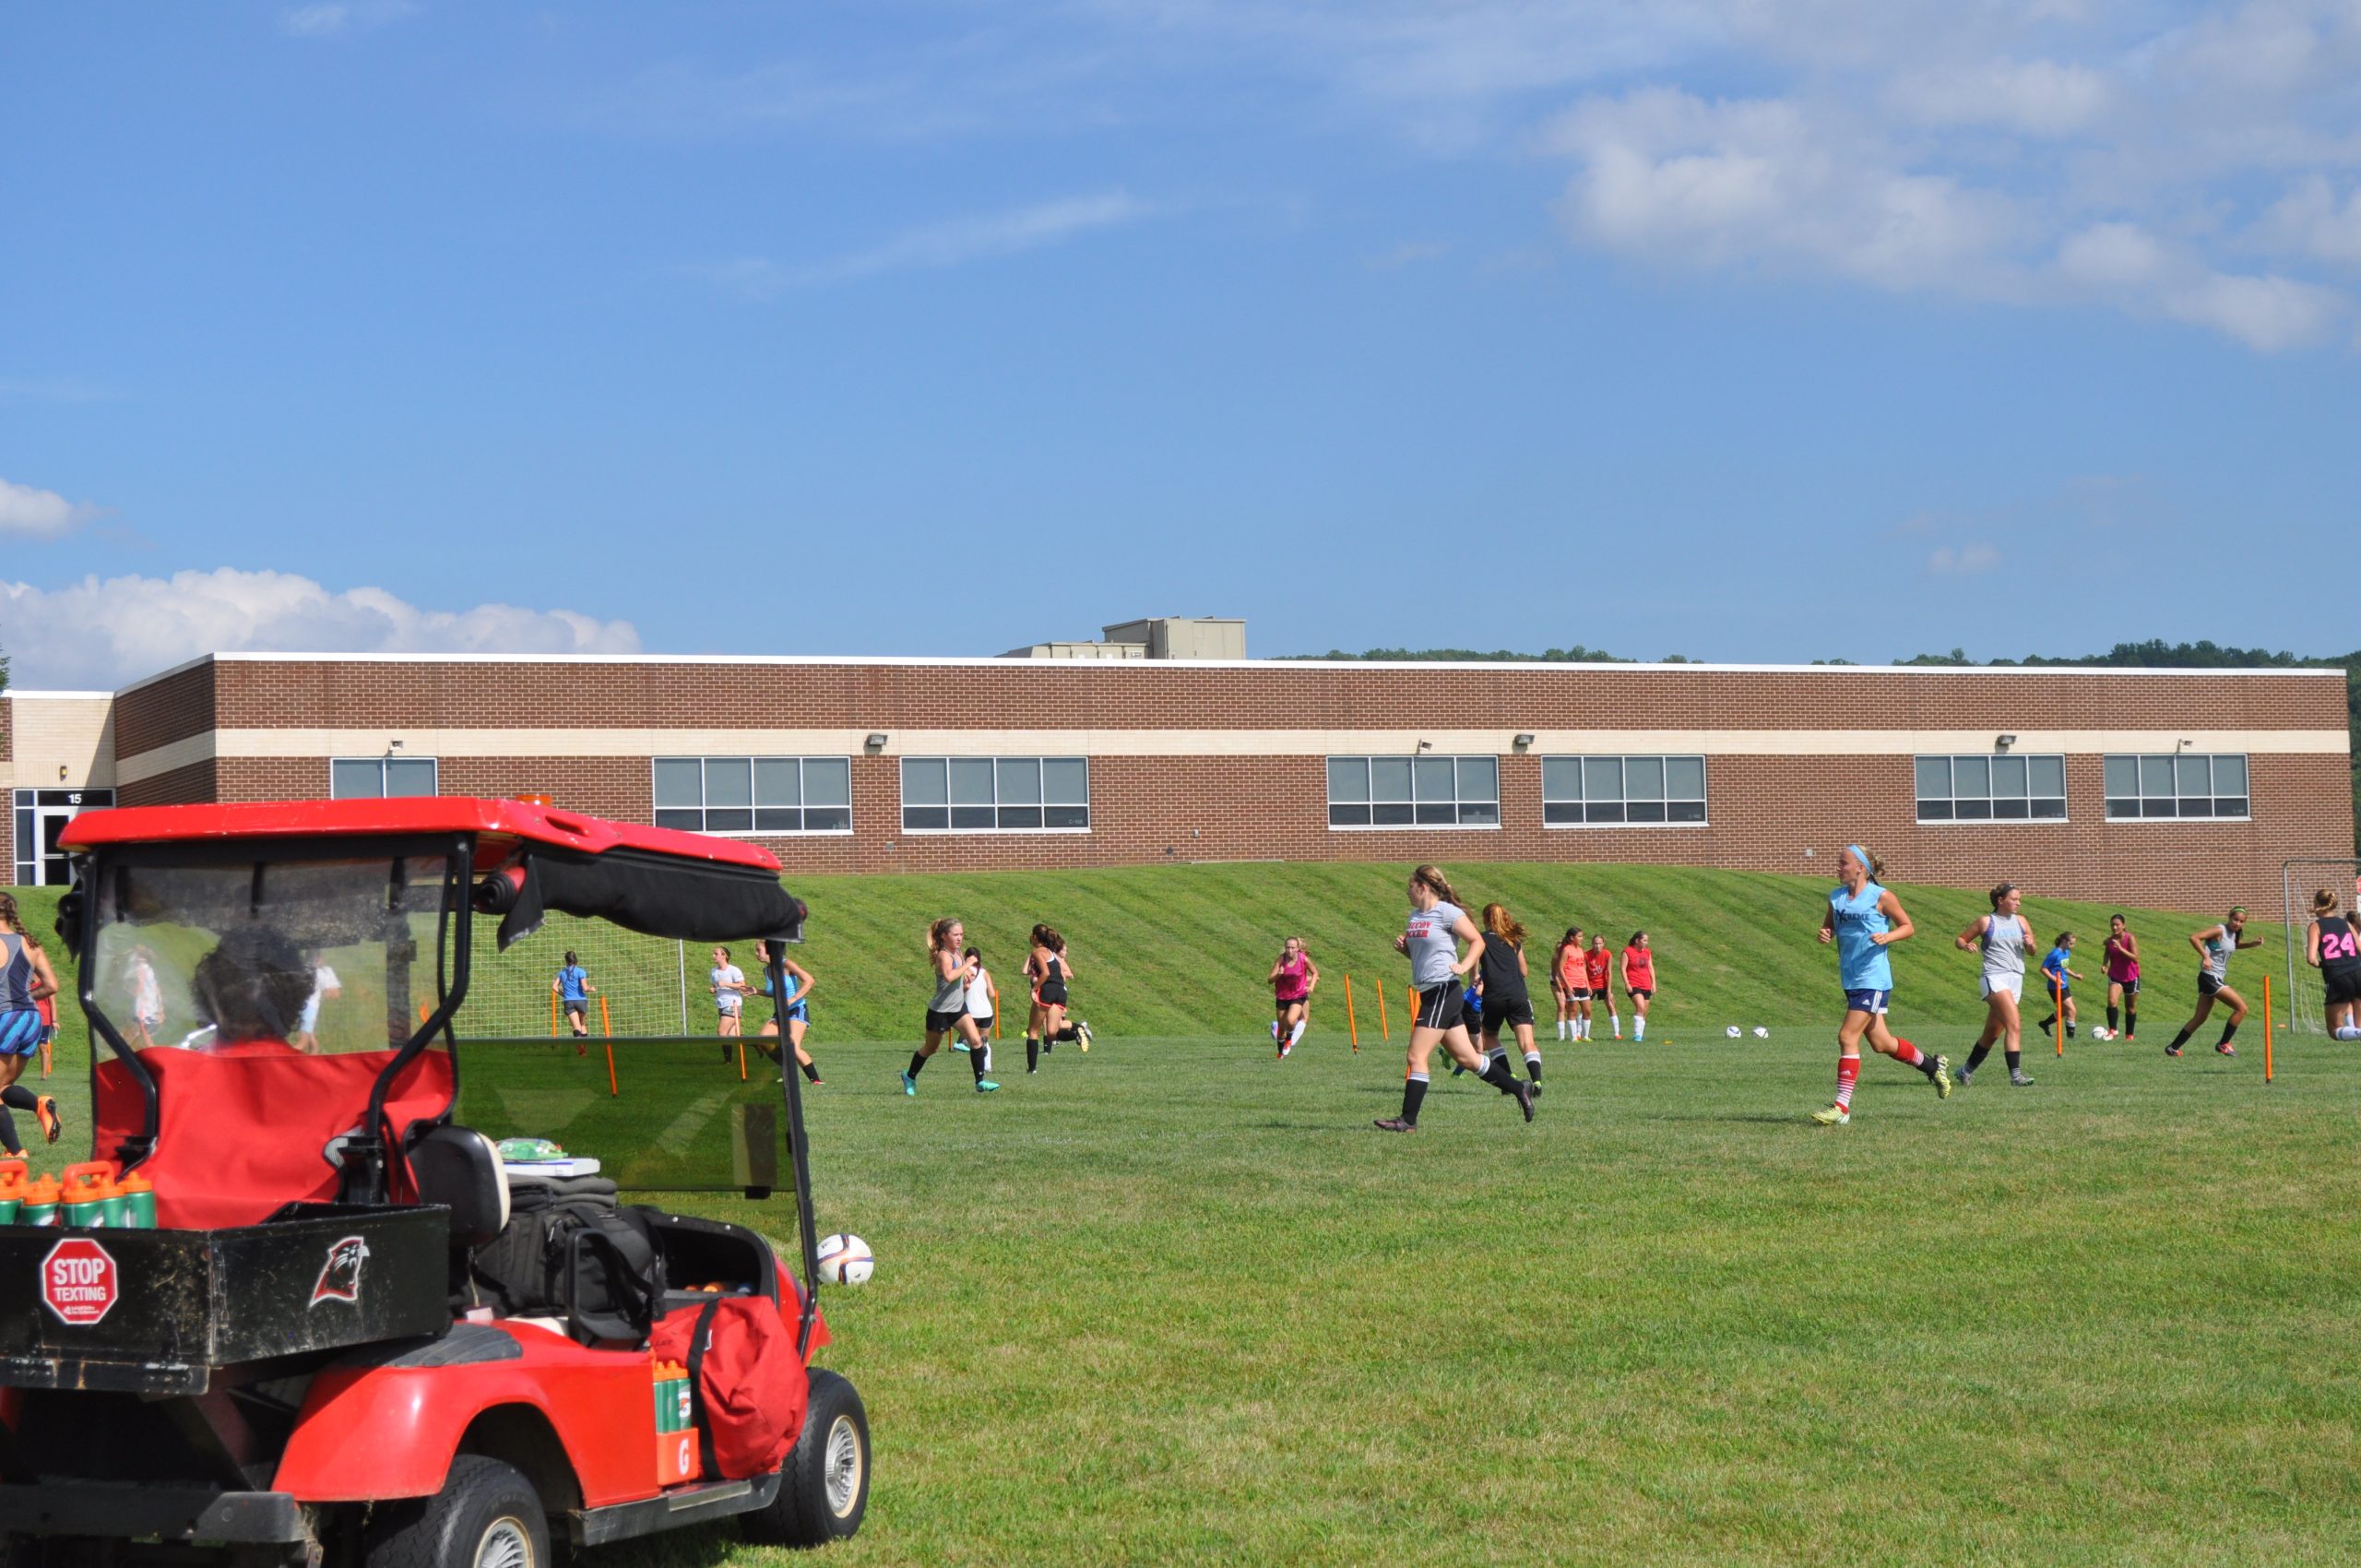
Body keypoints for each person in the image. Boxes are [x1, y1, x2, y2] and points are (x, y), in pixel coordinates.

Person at [1374, 866, 1537, 1132]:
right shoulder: (1415, 916)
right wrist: (1407, 952)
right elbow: (1425, 957)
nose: (1407, 890)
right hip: (1430, 990)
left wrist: (1464, 966)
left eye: (1410, 885)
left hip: (1442, 990)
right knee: (1468, 1059)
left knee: (1416, 1056)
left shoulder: (1447, 912)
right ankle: (1520, 1088)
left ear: (1423, 886)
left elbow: (1477, 941)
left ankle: (1408, 1120)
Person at [1809, 845, 1949, 1126]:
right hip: (1851, 977)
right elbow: (1830, 928)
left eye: (1843, 863)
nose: (1838, 868)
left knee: (1847, 1036)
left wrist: (1889, 937)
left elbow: (1908, 926)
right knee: (1881, 1043)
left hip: (1873, 979)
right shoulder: (1836, 897)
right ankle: (1934, 1067)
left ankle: (1841, 1107)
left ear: (1861, 867)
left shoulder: (1881, 896)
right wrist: (1825, 934)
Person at [1955, 882, 2035, 1087]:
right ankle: (2016, 1077)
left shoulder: (2022, 921)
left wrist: (2030, 944)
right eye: (2014, 899)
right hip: (1994, 977)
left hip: (2016, 978)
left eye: (2019, 899)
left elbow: (2033, 950)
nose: (2018, 903)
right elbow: (1960, 939)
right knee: (2014, 1024)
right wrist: (1966, 945)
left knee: (1991, 1034)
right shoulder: (1986, 921)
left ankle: (1964, 1072)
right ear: (2001, 900)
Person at [906, 919, 995, 1095]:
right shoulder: (943, 955)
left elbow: (958, 974)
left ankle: (980, 1082)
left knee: (976, 1041)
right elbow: (949, 976)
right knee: (931, 1049)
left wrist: (967, 974)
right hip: (940, 1011)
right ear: (944, 936)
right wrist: (969, 964)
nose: (960, 938)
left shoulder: (958, 953)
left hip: (958, 1008)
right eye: (955, 935)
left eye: (961, 934)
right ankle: (909, 1076)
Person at [0, 896, 60, 1152]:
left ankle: (17, 1152)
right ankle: (40, 1104)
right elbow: (51, 986)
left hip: (6, 1018)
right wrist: (25, 998)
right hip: (31, 1019)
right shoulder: (31, 943)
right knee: (3, 1087)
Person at [2164, 908, 2263, 1058]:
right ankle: (2224, 1044)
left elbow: (2233, 946)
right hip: (2210, 977)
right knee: (2241, 1009)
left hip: (2211, 978)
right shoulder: (2219, 930)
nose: (2237, 923)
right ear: (2229, 917)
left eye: (2241, 921)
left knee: (2200, 1018)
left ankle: (2173, 1048)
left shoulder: (2233, 934)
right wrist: (2205, 956)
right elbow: (2194, 937)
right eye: (2235, 919)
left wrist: (2251, 944)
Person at [1477, 903, 1542, 1085]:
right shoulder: (1513, 940)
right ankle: (1537, 1082)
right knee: (1527, 1042)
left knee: (1489, 1035)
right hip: (1518, 995)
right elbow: (1524, 971)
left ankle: (1509, 1078)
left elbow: (1475, 969)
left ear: (1485, 919)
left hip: (1494, 996)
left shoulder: (1480, 939)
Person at [748, 939, 824, 1086]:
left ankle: (816, 1080)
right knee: (763, 1039)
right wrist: (757, 991)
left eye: (759, 950)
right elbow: (774, 992)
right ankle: (785, 1069)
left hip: (797, 1009)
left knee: (793, 1047)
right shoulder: (767, 970)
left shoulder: (786, 964)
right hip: (780, 1012)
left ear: (770, 950)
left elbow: (809, 980)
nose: (756, 954)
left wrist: (794, 998)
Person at [1024, 925, 1091, 1069]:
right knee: (1052, 1033)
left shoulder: (1037, 952)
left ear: (1035, 936)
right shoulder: (1053, 953)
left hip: (1047, 990)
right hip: (1061, 991)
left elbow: (1046, 973)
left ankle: (1032, 1070)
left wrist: (1034, 990)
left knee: (1033, 1031)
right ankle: (1075, 1034)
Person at [2304, 889, 2361, 1039]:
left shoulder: (2316, 926)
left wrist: (2325, 965)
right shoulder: (2346, 923)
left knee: (2334, 1030)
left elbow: (2311, 958)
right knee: (2358, 1026)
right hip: (2358, 971)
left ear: (2317, 903)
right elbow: (2360, 948)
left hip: (2338, 976)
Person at [1268, 937, 1317, 1060]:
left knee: (1291, 1020)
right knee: (1281, 1028)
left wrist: (1311, 987)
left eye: (1292, 948)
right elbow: (1269, 980)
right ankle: (1280, 1053)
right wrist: (1278, 975)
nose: (1289, 950)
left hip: (1298, 995)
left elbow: (1315, 973)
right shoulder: (1281, 959)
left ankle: (1289, 1041)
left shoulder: (1303, 959)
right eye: (1287, 948)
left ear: (1297, 949)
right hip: (1282, 996)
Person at [2035, 932, 2083, 1039]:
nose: (2072, 946)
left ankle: (2045, 1024)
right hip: (2055, 987)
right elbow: (2043, 968)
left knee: (2065, 1011)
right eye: (2071, 944)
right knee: (2072, 1010)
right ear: (2064, 941)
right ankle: (2071, 1039)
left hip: (2064, 985)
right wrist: (2055, 979)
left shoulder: (2066, 952)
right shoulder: (2054, 954)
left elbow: (2064, 968)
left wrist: (2075, 976)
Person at [292, 956, 344, 1054]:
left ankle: (309, 1065)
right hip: (309, 1009)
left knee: (310, 1043)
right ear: (318, 959)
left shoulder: (299, 969)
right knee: (304, 1043)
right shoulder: (320, 973)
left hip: (301, 1007)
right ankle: (284, 1061)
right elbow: (334, 995)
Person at [2102, 914, 2142, 1041]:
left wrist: (2120, 948)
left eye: (2117, 924)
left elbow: (2135, 958)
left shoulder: (2130, 938)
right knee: (2112, 1001)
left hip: (2130, 977)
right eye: (2112, 924)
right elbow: (2107, 952)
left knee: (2130, 1008)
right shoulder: (2110, 940)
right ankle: (2113, 1030)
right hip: (2115, 975)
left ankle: (2129, 1035)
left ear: (2123, 925)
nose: (2114, 927)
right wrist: (2104, 964)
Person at [961, 947, 999, 1075]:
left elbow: (962, 990)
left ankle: (962, 1043)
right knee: (984, 1041)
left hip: (970, 1012)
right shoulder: (985, 973)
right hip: (986, 1012)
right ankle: (987, 1066)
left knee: (971, 1040)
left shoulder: (964, 971)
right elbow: (992, 994)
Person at [708, 944, 748, 1059]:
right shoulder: (713, 971)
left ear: (724, 956)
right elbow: (716, 986)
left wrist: (726, 984)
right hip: (721, 1004)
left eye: (716, 954)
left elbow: (742, 986)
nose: (713, 956)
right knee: (734, 1035)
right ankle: (757, 1044)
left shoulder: (733, 970)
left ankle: (727, 1060)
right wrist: (714, 989)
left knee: (721, 1032)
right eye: (713, 953)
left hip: (733, 1004)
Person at [552, 951, 596, 1046]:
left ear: (566, 961)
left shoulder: (562, 973)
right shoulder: (581, 971)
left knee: (576, 1026)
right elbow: (585, 988)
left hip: (569, 1002)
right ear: (576, 960)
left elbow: (554, 987)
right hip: (581, 1001)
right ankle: (584, 1048)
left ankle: (581, 1050)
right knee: (582, 1024)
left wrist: (564, 994)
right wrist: (591, 989)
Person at [1619, 932, 1656, 1042]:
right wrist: (1627, 983)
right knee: (1640, 1007)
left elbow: (1650, 968)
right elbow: (1622, 968)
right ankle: (1637, 1035)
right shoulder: (1627, 952)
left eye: (1647, 941)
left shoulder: (1647, 952)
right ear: (1637, 940)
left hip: (1646, 984)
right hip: (1634, 983)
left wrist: (1653, 983)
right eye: (1644, 940)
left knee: (1644, 1011)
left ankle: (1640, 1034)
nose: (1646, 943)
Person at [128, 944, 164, 1050]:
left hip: (144, 1006)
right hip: (153, 1007)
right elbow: (158, 989)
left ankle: (152, 1053)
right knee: (144, 1033)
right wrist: (161, 1009)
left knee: (143, 1033)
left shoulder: (141, 968)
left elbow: (140, 987)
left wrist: (129, 991)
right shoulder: (150, 969)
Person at [1551, 928, 1584, 1040]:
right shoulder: (1556, 958)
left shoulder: (1571, 953)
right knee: (1561, 1006)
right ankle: (1561, 1036)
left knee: (1573, 1007)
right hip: (1557, 983)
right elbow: (1555, 974)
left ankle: (1577, 1033)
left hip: (1568, 982)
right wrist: (1560, 988)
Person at [1585, 934, 1617, 1040]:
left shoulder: (1607, 954)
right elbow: (1583, 971)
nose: (1597, 946)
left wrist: (1609, 990)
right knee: (1586, 1009)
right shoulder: (1586, 955)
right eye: (1595, 943)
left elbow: (1609, 972)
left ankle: (1617, 1033)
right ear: (1592, 944)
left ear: (1603, 944)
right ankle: (1582, 1034)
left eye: (1599, 943)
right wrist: (1587, 986)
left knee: (1611, 1005)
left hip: (1603, 984)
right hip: (1590, 984)